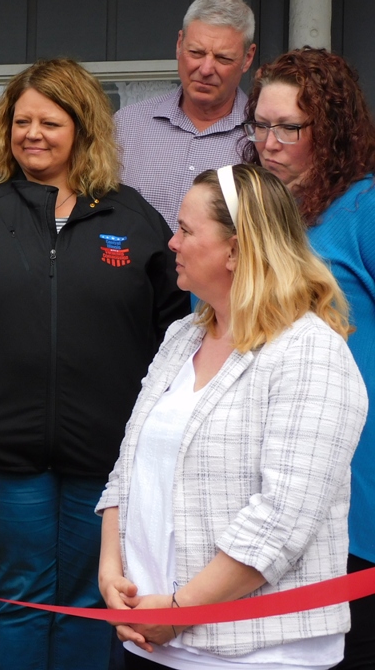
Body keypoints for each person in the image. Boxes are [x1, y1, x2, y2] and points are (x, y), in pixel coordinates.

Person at [0, 59, 188, 670]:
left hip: (107, 459)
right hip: (5, 457)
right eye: (21, 121)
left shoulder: (132, 218)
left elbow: (176, 334)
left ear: (83, 130)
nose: (32, 134)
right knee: (20, 600)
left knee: (93, 600)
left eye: (51, 122)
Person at [98, 163, 367, 669]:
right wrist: (111, 573)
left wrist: (181, 609)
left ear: (237, 250)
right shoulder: (182, 337)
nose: (172, 242)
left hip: (262, 652)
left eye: (185, 230)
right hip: (152, 638)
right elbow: (127, 467)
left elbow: (282, 519)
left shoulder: (310, 351)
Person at [241, 47, 375, 669]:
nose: (270, 143)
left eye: (289, 128)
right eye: (261, 125)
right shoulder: (249, 213)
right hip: (258, 472)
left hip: (356, 480)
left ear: (332, 129)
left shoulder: (363, 208)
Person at [116, 0, 256, 231]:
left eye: (223, 58)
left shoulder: (263, 138)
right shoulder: (126, 126)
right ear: (179, 44)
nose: (206, 69)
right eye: (196, 53)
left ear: (248, 58)